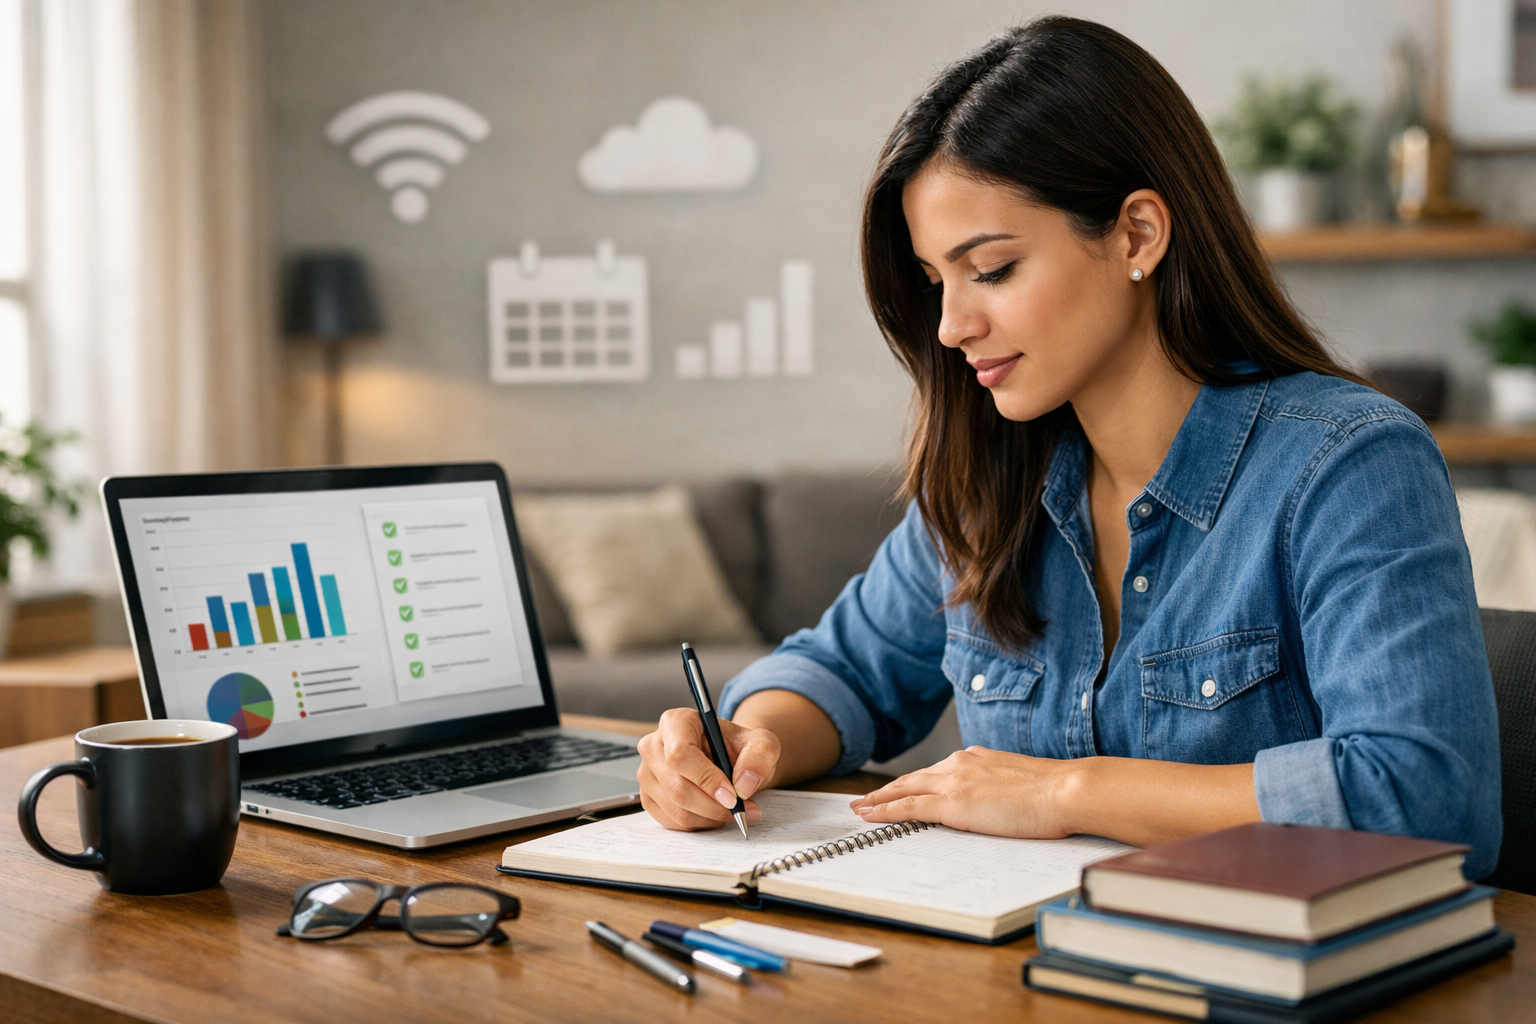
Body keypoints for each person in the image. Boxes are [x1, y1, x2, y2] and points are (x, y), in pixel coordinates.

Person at [636, 16, 1502, 877]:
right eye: (937, 281)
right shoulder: (988, 484)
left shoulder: (1348, 464)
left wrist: (1064, 794)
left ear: (1137, 235)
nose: (951, 326)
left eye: (994, 269)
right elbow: (842, 673)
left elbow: (1421, 797)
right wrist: (742, 745)